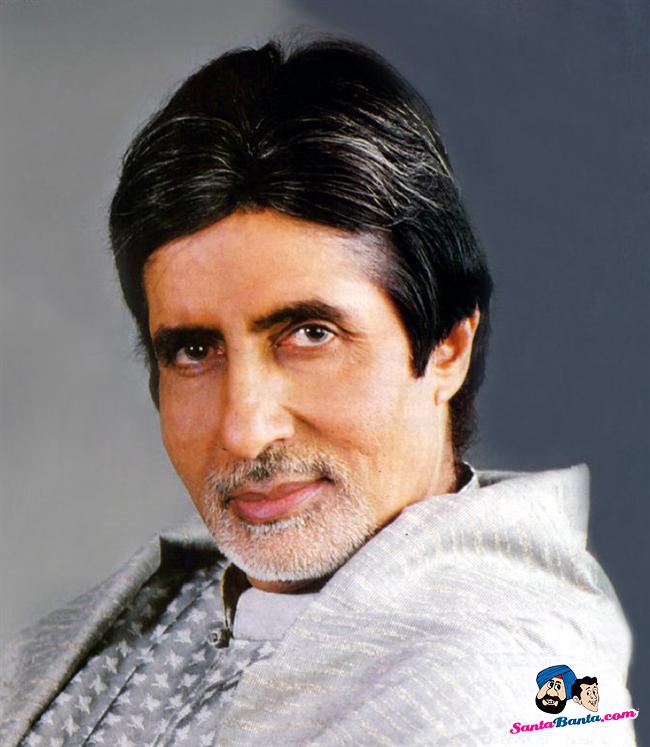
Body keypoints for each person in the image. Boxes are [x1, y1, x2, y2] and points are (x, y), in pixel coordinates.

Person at [0, 38, 636, 746]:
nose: (244, 429)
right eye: (194, 350)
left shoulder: (512, 691)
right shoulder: (132, 621)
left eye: (309, 334)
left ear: (447, 348)